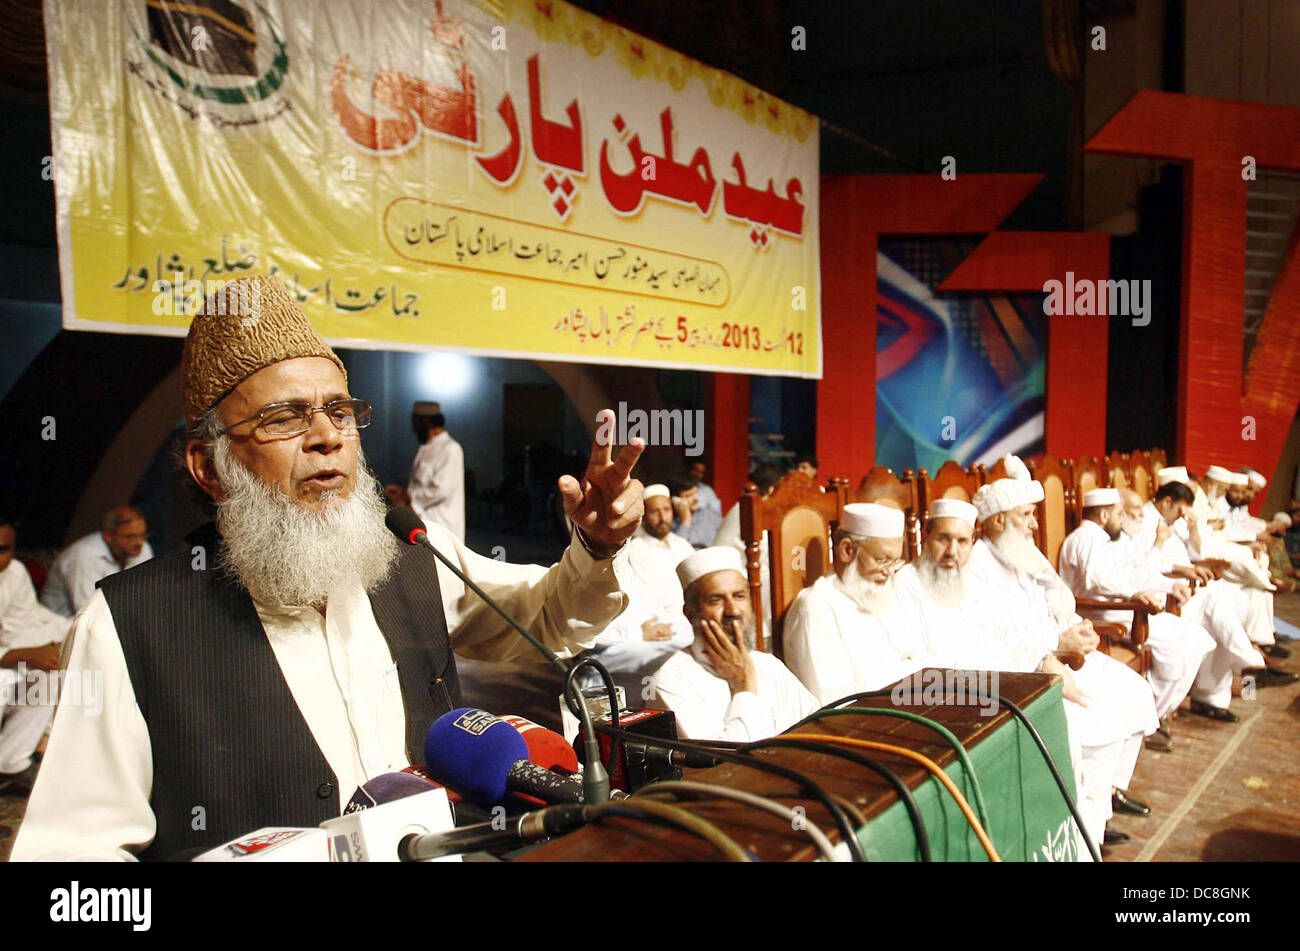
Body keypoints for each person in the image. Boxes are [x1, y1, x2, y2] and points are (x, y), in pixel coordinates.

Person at [12, 275, 646, 861]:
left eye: (340, 411)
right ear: (208, 466)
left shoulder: (411, 555)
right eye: (283, 418)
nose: (326, 436)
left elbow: (549, 616)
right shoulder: (129, 624)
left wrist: (594, 546)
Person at [966, 458, 1159, 844]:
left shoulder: (1026, 553)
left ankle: (1103, 799)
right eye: (1026, 515)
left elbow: (1061, 602)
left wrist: (1076, 629)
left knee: (1137, 694)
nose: (1036, 524)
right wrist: (1054, 646)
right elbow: (993, 643)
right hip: (1029, 674)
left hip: (1064, 654)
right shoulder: (976, 569)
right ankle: (1084, 834)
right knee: (1104, 730)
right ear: (999, 520)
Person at [648, 547, 818, 740]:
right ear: (690, 613)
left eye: (739, 596)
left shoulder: (767, 664)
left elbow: (817, 728)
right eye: (716, 600)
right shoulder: (670, 681)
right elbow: (724, 763)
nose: (732, 611)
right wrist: (744, 685)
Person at [783, 502, 922, 703]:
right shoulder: (816, 607)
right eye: (882, 560)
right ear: (847, 550)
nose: (890, 571)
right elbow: (835, 703)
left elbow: (915, 659)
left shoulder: (880, 591)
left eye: (895, 562)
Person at [0, 519, 65, 794]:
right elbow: (16, 647)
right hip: (4, 660)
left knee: (49, 673)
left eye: (3, 549)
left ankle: (10, 762)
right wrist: (18, 654)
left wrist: (52, 645)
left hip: (6, 656)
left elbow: (21, 627)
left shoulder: (14, 573)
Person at [40, 506, 153, 618]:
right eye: (130, 537)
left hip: (113, 619)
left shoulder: (141, 549)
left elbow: (147, 596)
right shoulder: (83, 556)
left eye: (142, 535)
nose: (139, 542)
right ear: (108, 536)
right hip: (63, 625)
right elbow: (88, 610)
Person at [625, 484, 696, 613]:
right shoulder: (636, 549)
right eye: (654, 512)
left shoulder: (681, 544)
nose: (662, 518)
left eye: (666, 510)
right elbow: (643, 598)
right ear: (644, 516)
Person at [407, 401, 466, 542]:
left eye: (415, 424)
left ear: (425, 422)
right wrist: (403, 492)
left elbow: (441, 490)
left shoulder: (451, 448)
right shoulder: (425, 448)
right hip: (424, 523)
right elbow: (419, 484)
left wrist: (409, 502)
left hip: (443, 525)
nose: (414, 430)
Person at [670, 475, 722, 548]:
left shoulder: (710, 515)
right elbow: (677, 551)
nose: (696, 498)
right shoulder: (669, 525)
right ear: (676, 500)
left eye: (696, 492)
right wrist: (686, 520)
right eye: (689, 495)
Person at [686, 459, 722, 525]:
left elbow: (717, 514)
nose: (697, 475)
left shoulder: (707, 491)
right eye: (695, 470)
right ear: (688, 469)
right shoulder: (678, 488)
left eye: (701, 472)